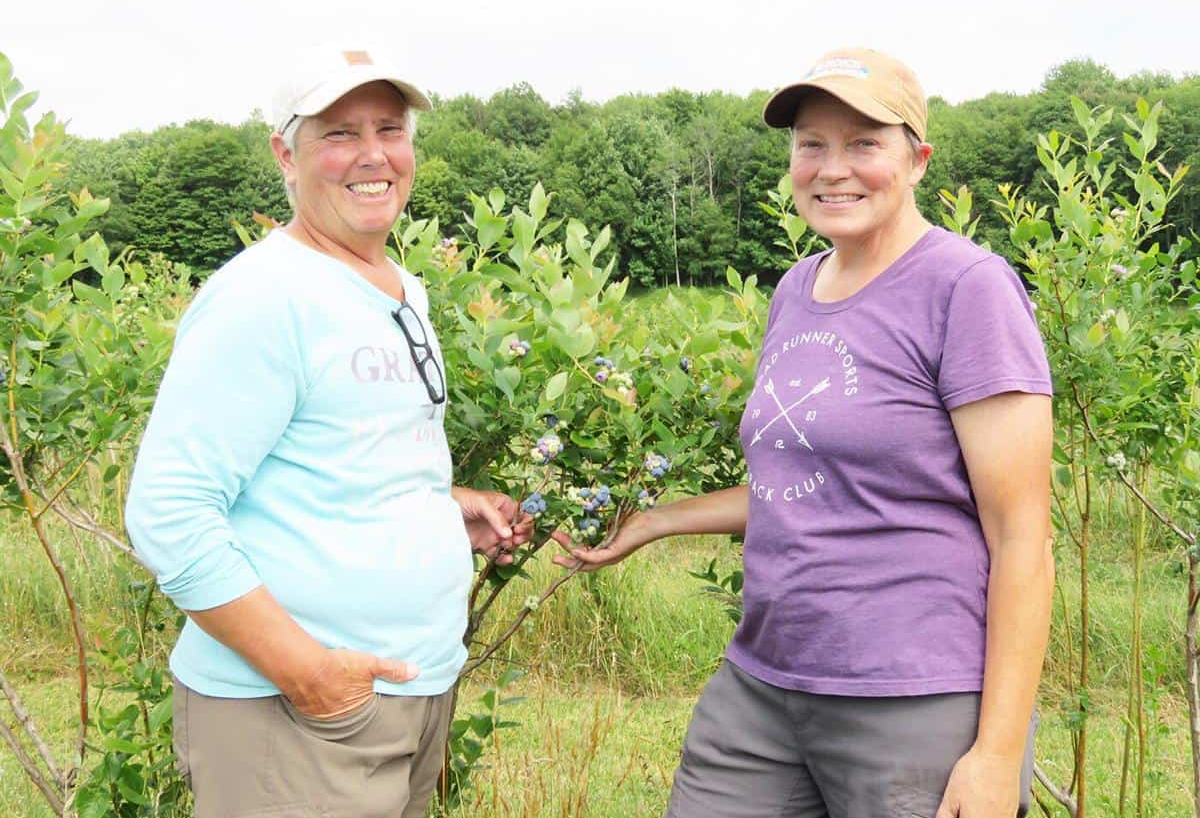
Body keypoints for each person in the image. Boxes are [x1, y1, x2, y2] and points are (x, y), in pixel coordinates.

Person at [554, 47, 1054, 818]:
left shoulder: (968, 288)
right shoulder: (796, 287)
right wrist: (655, 522)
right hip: (764, 684)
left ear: (917, 160)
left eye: (864, 144)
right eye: (811, 143)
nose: (832, 168)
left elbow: (1022, 535)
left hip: (911, 698)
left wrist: (996, 752)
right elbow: (800, 485)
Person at [126, 44, 532, 818]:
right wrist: (310, 675)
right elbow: (168, 512)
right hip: (297, 716)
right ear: (286, 152)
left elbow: (342, 452)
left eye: (391, 127)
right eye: (339, 133)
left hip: (406, 697)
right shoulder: (263, 297)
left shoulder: (396, 283)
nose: (373, 154)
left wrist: (441, 505)